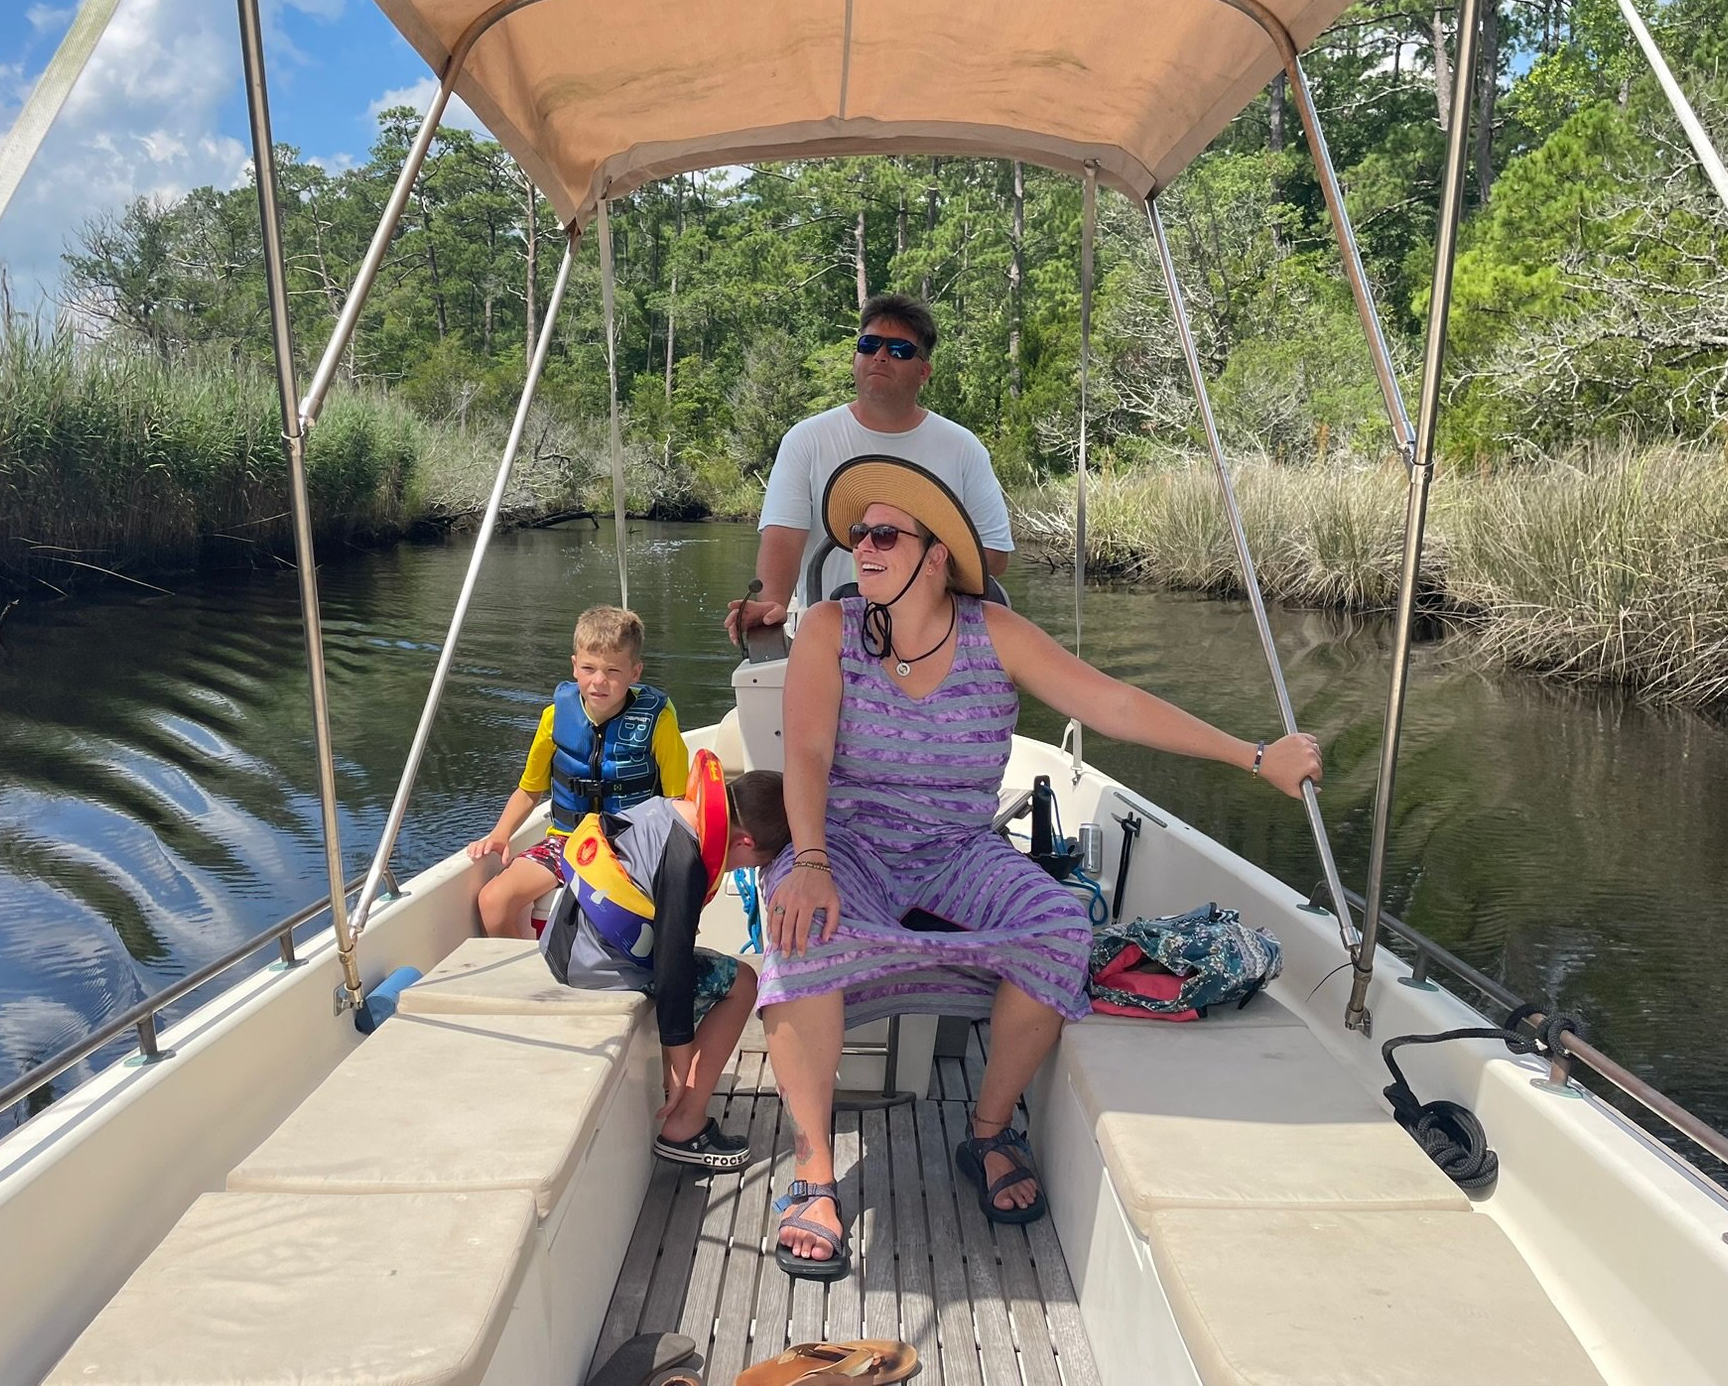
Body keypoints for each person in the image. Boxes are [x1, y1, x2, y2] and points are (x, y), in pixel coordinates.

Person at [759, 455, 1323, 1280]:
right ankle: (813, 1174)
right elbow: (805, 750)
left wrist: (1256, 755)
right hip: (849, 844)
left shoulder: (998, 635)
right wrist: (809, 859)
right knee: (799, 930)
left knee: (1059, 927)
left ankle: (987, 1133)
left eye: (883, 534)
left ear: (936, 554)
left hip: (958, 850)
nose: (862, 550)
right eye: (856, 536)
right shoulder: (830, 629)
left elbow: (1115, 705)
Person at [541, 754, 791, 1171]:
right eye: (756, 864)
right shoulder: (686, 862)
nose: (746, 870)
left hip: (563, 940)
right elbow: (672, 967)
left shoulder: (671, 809)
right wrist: (678, 1059)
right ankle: (685, 1126)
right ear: (746, 843)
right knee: (743, 982)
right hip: (596, 965)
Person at [725, 293, 1013, 645]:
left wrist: (916, 574)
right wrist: (770, 608)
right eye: (869, 344)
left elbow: (995, 555)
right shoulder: (806, 440)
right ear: (855, 358)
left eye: (899, 350)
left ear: (924, 371)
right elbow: (783, 538)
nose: (880, 355)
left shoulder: (964, 447)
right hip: (830, 641)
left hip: (938, 642)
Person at [467, 605, 689, 939]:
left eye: (613, 671)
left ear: (635, 673)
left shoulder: (659, 722)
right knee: (493, 900)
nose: (599, 681)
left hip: (631, 845)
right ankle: (526, 987)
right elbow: (529, 790)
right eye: (589, 668)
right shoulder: (554, 719)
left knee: (626, 910)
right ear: (574, 667)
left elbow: (678, 801)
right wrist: (500, 834)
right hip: (568, 841)